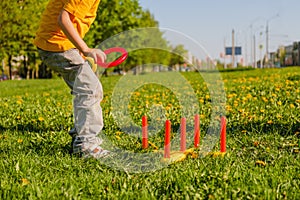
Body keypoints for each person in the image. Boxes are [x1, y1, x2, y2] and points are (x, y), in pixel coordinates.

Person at [33, 0, 110, 159]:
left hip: (57, 44)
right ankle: (86, 145)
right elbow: (63, 19)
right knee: (90, 89)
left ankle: (79, 136)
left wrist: (80, 53)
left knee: (86, 86)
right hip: (56, 45)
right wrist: (86, 49)